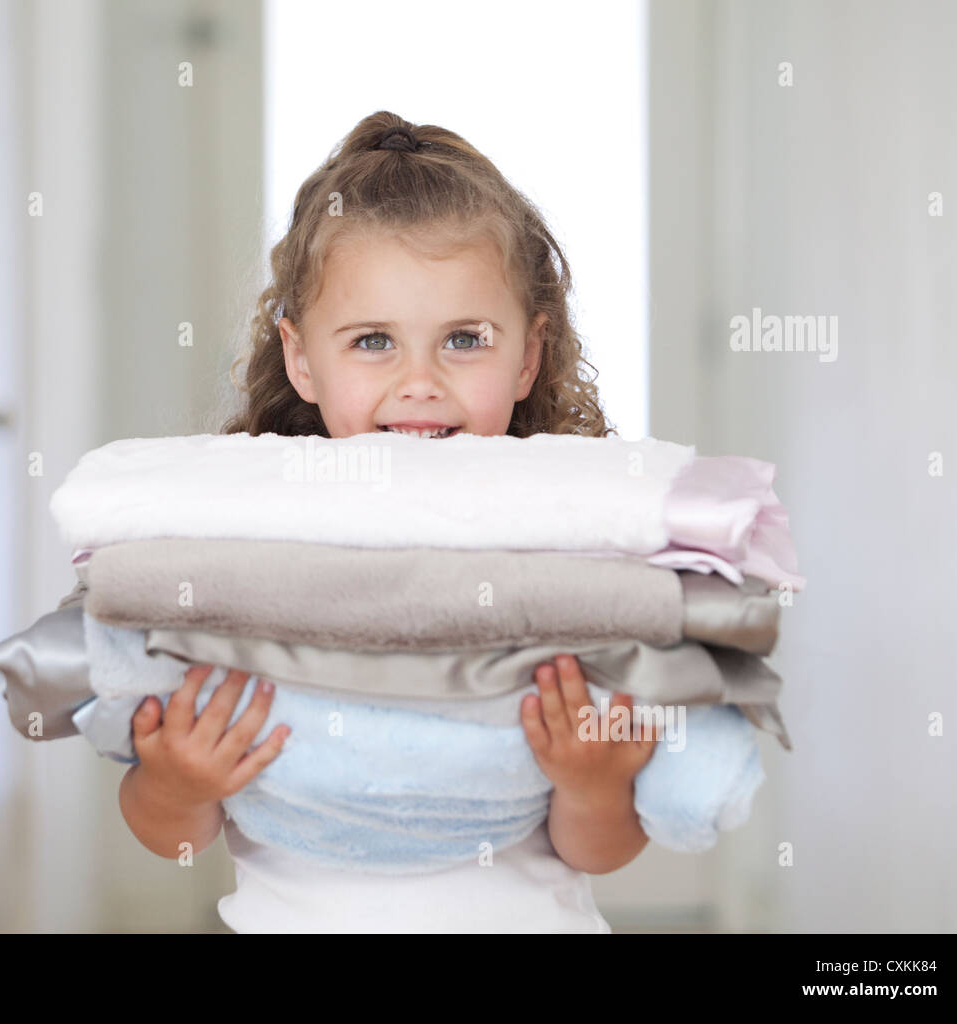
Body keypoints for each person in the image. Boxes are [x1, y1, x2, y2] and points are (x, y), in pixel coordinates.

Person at [118, 111, 657, 932]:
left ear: (528, 354)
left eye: (464, 340)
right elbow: (175, 838)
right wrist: (178, 784)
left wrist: (592, 784)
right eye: (373, 340)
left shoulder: (563, 555)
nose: (420, 382)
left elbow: (600, 849)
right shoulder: (246, 552)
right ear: (301, 357)